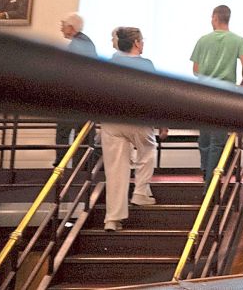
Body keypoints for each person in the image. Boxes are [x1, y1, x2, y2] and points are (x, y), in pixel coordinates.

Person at [102, 27, 164, 232]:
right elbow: (155, 95)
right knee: (148, 150)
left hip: (111, 119)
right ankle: (140, 193)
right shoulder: (146, 65)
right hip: (136, 117)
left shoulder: (109, 63)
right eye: (142, 40)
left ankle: (112, 219)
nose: (143, 43)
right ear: (136, 43)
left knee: (115, 171)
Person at [190, 4, 243, 180]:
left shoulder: (202, 40)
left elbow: (195, 70)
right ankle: (211, 179)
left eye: (211, 17)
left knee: (204, 138)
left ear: (215, 18)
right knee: (218, 139)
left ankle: (205, 170)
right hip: (225, 93)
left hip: (204, 92)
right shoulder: (238, 40)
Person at [56, 13, 98, 163]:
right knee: (83, 134)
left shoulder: (77, 45)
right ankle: (81, 164)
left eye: (63, 26)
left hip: (74, 97)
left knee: (64, 131)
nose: (61, 29)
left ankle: (62, 164)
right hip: (84, 97)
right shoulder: (86, 43)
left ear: (71, 28)